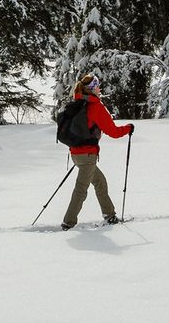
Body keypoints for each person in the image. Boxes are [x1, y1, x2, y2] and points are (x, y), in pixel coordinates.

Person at [54, 73, 132, 230]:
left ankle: (110, 215)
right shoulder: (95, 107)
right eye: (96, 86)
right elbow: (113, 132)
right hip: (87, 156)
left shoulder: (79, 103)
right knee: (81, 189)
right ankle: (68, 223)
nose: (99, 88)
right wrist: (128, 129)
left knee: (100, 182)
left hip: (77, 154)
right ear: (90, 90)